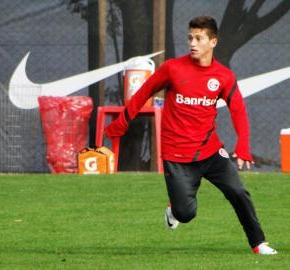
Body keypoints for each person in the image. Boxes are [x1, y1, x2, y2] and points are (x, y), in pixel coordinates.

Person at [105, 16, 277, 255]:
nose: (192, 43)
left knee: (238, 191)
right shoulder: (172, 69)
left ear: (213, 42)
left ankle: (259, 243)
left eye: (199, 38)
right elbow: (143, 93)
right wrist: (121, 124)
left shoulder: (224, 76)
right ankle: (174, 209)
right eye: (190, 38)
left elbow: (238, 111)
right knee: (186, 213)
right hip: (177, 156)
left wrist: (243, 147)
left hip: (210, 152)